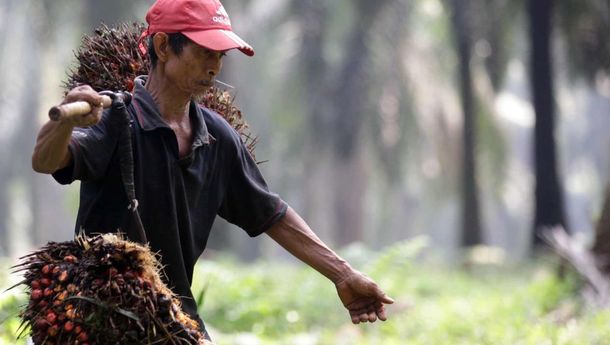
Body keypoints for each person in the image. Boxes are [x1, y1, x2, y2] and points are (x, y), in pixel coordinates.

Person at [31, 0, 394, 340]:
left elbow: (272, 215)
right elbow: (46, 161)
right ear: (162, 47)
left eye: (219, 55)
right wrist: (63, 121)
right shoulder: (114, 120)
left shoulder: (218, 137)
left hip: (170, 314)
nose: (215, 67)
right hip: (101, 316)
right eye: (204, 52)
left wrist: (343, 274)